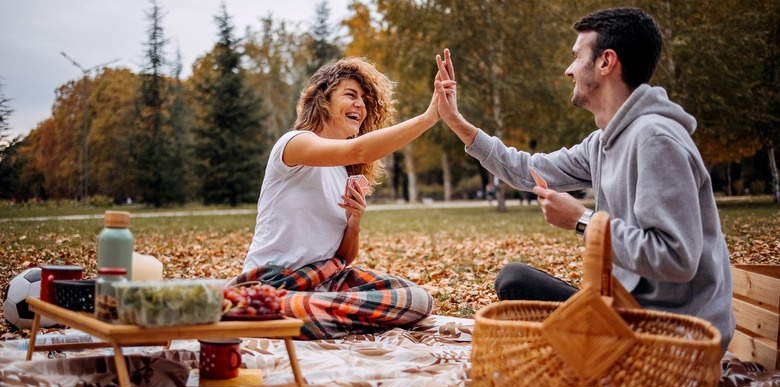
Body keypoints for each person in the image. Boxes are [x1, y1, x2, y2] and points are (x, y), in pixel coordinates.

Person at [433, 7, 735, 351]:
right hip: (628, 311)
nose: (569, 69)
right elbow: (527, 169)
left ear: (606, 62)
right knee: (515, 280)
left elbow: (677, 259)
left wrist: (582, 221)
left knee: (516, 284)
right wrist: (457, 122)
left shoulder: (655, 139)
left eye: (577, 56)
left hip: (674, 334)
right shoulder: (605, 141)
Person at [230, 57, 437, 340]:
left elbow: (343, 257)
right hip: (273, 281)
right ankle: (269, 309)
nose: (360, 105)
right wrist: (429, 117)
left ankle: (284, 317)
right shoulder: (294, 144)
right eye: (350, 95)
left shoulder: (344, 173)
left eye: (364, 99)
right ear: (322, 100)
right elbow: (361, 151)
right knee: (281, 303)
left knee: (417, 300)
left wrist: (354, 223)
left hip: (325, 282)